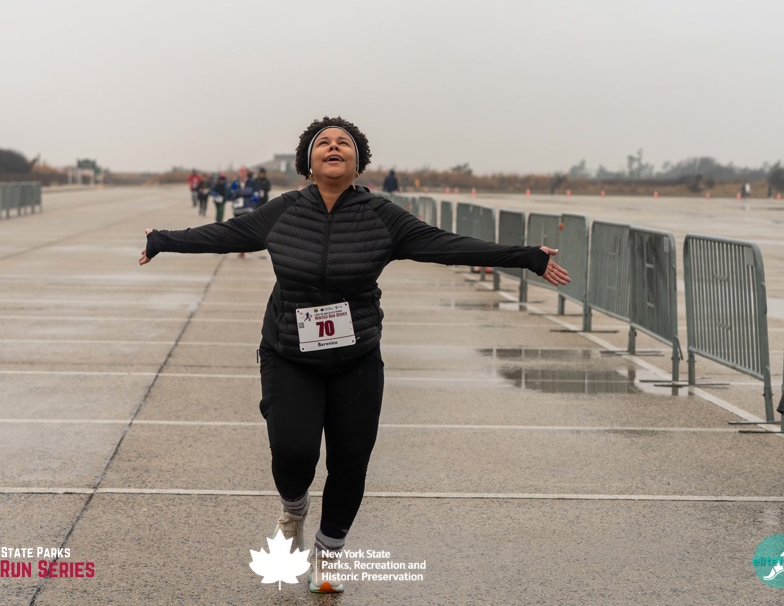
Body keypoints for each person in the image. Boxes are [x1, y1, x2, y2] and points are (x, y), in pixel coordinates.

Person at [138, 116, 570, 594]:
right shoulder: (282, 212)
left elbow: (448, 245)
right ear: (308, 161)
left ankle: (328, 554)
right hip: (289, 353)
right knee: (293, 453)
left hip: (356, 358)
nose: (334, 147)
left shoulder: (383, 216)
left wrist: (527, 257)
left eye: (344, 142)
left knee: (350, 460)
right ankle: (294, 510)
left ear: (358, 161)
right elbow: (224, 234)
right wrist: (163, 240)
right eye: (323, 142)